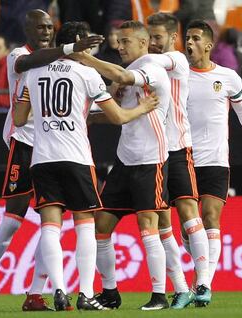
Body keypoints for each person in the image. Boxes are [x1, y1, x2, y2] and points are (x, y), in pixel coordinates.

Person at [13, 21, 159, 311]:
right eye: (89, 44)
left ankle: (58, 289)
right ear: (79, 43)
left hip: (42, 159)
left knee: (50, 227)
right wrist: (142, 108)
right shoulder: (87, 74)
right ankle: (86, 293)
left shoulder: (33, 73)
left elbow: (19, 119)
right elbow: (117, 118)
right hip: (77, 158)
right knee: (84, 224)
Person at [0, 9, 104, 313]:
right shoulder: (19, 54)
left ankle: (36, 292)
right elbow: (28, 64)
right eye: (39, 27)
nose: (45, 31)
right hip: (24, 143)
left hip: (55, 147)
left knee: (51, 221)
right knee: (13, 218)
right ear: (27, 29)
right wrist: (72, 49)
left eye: (49, 27)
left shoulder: (64, 64)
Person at [73, 20, 172, 310]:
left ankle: (159, 295)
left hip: (150, 160)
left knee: (147, 224)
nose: (119, 47)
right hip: (125, 160)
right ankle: (110, 292)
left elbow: (122, 77)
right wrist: (88, 117)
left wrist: (84, 57)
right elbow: (118, 113)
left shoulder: (151, 69)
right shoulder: (125, 76)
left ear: (143, 43)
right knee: (101, 225)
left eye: (124, 42)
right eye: (117, 42)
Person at [184, 20, 242, 304]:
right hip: (183, 158)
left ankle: (204, 285)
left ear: (208, 45)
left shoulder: (229, 77)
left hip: (216, 160)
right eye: (187, 37)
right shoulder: (178, 76)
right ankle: (200, 274)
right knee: (188, 228)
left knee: (210, 217)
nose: (189, 42)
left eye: (195, 38)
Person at [145, 12, 211, 308]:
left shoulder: (176, 59)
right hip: (152, 151)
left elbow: (148, 62)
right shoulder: (146, 65)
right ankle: (181, 288)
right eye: (150, 38)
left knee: (189, 213)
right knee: (161, 221)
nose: (153, 44)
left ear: (173, 38)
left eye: (157, 37)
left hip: (178, 148)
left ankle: (204, 283)